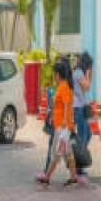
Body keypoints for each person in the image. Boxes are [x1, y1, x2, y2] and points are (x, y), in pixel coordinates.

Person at [37, 60, 78, 188]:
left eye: (54, 74)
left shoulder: (64, 86)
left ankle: (47, 178)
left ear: (58, 75)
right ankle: (73, 177)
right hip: (60, 125)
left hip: (62, 127)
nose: (53, 76)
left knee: (56, 152)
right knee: (68, 153)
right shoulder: (61, 86)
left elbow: (66, 104)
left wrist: (65, 121)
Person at [72, 52, 93, 183]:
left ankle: (80, 160)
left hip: (80, 107)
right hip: (77, 108)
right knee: (83, 136)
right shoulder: (79, 72)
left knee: (88, 134)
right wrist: (89, 75)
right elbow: (87, 87)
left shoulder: (78, 72)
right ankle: (78, 165)